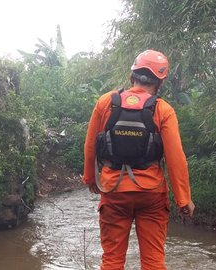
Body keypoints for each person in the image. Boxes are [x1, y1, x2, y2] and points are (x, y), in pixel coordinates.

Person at [82, 49, 195, 269]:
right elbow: (176, 159)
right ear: (160, 82)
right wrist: (184, 199)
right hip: (151, 194)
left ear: (132, 75)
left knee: (112, 259)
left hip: (112, 190)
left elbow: (90, 146)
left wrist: (90, 179)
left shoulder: (106, 102)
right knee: (153, 261)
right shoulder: (163, 109)